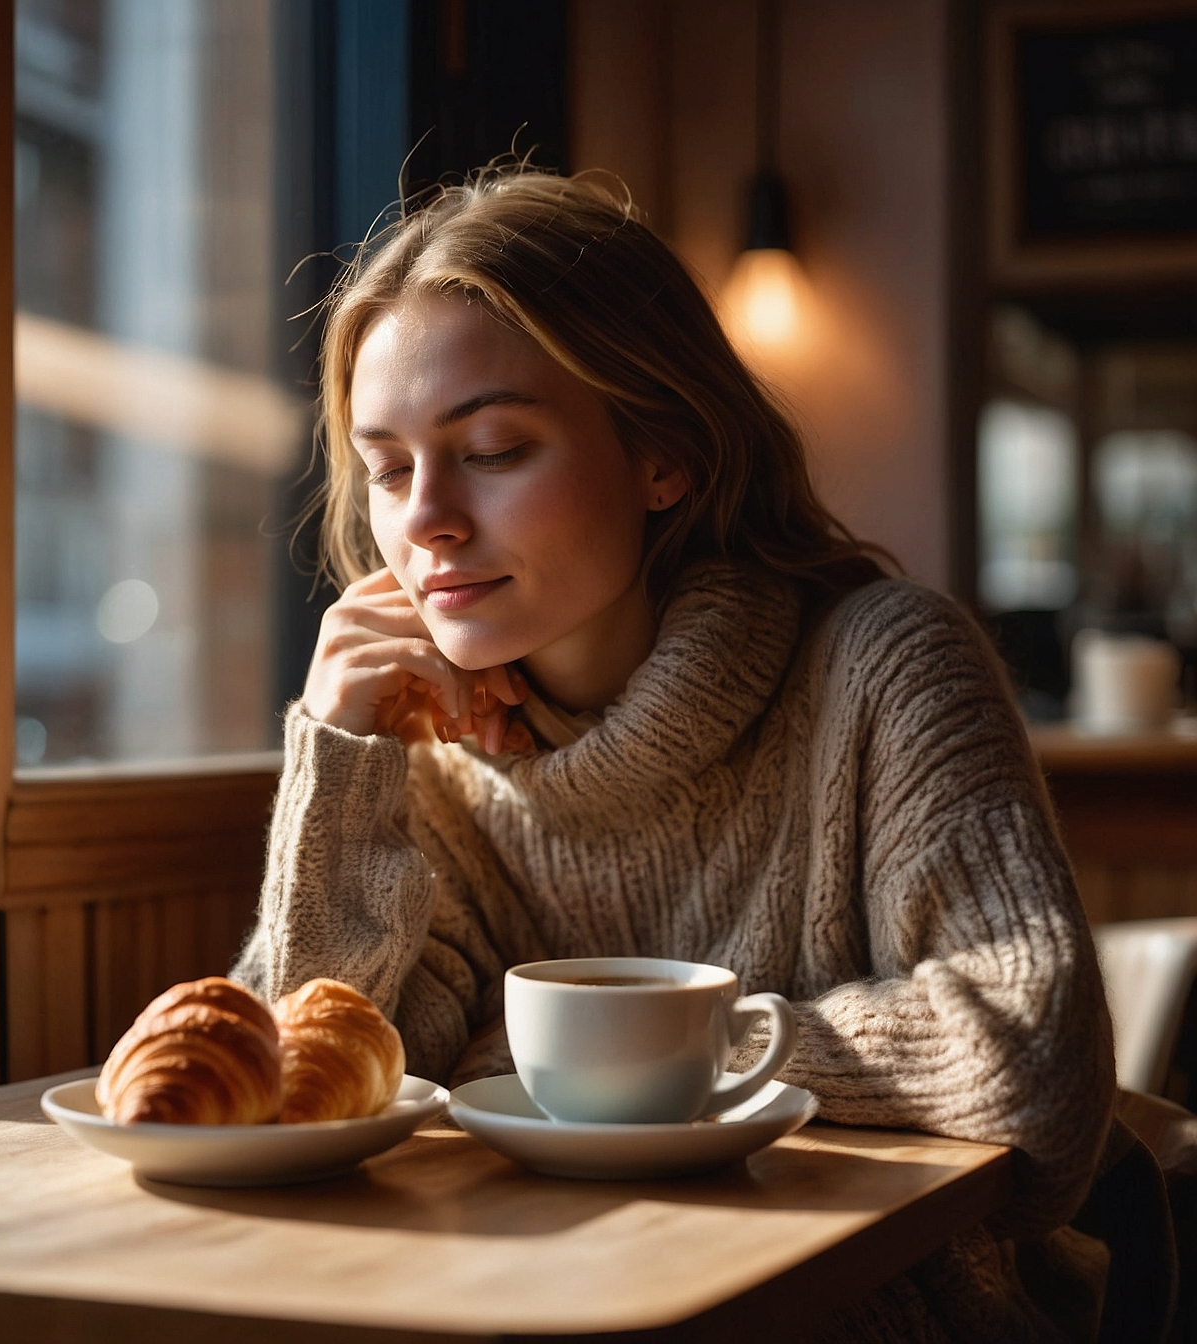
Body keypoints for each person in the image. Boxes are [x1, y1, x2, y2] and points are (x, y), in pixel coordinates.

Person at [233, 164, 1116, 1341]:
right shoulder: (428, 761)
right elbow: (292, 1089)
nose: (427, 518)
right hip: (524, 1295)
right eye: (389, 468)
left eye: (492, 448)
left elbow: (1030, 1065)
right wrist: (337, 765)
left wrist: (614, 1060)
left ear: (664, 454)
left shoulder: (884, 667)